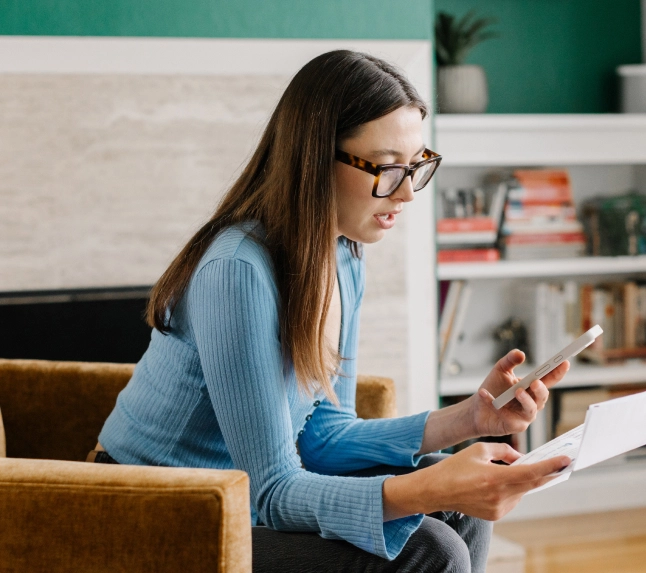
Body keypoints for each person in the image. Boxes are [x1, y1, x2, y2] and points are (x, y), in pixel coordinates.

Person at [91, 50, 571, 572]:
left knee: (462, 513)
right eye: (388, 169)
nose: (408, 192)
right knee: (433, 547)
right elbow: (271, 489)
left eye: (416, 166)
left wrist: (471, 419)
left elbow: (321, 435)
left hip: (239, 497)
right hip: (153, 513)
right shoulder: (236, 269)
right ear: (315, 157)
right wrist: (417, 489)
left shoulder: (343, 255)